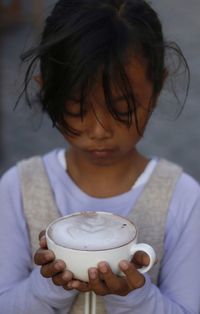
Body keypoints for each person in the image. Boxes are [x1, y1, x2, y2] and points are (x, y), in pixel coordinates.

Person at [0, 0, 199, 313]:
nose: (99, 130)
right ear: (47, 89)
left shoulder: (183, 198)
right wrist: (47, 286)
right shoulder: (19, 189)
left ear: (158, 87)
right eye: (77, 109)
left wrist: (133, 294)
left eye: (122, 109)